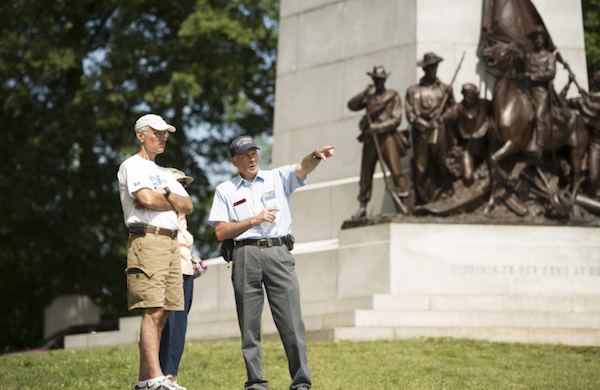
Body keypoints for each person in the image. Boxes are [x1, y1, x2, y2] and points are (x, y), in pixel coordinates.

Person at [208, 135, 335, 390]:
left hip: (278, 253)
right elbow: (221, 232)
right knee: (249, 326)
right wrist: (252, 220)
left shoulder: (278, 177)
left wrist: (315, 156)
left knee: (292, 323)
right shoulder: (225, 190)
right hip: (244, 256)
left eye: (253, 152)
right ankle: (256, 384)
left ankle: (301, 383)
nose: (251, 157)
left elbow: (302, 167)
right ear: (234, 161)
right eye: (244, 155)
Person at [117, 114, 193, 390]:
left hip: (172, 243)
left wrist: (166, 196)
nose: (163, 138)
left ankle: (143, 381)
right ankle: (156, 378)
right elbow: (145, 198)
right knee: (153, 310)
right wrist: (163, 199)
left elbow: (188, 205)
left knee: (164, 313)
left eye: (165, 134)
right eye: (157, 133)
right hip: (148, 240)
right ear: (140, 135)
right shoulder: (131, 165)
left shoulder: (163, 172)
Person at [347, 65, 410, 218]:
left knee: (396, 171)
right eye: (376, 79)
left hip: (387, 137)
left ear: (385, 79)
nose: (378, 82)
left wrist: (379, 127)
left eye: (380, 79)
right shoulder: (368, 98)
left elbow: (396, 119)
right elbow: (351, 105)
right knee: (366, 173)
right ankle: (363, 206)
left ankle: (404, 203)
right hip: (370, 138)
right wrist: (364, 92)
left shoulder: (392, 95)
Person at [158, 168, 196, 390]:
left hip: (185, 268)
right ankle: (161, 375)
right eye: (178, 183)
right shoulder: (161, 207)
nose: (183, 187)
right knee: (167, 325)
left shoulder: (181, 211)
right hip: (170, 267)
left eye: (184, 184)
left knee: (179, 327)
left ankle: (171, 375)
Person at [405, 52, 455, 204]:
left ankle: (445, 194)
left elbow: (453, 108)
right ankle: (423, 200)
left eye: (435, 67)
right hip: (421, 132)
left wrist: (442, 118)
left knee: (441, 161)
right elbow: (410, 114)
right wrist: (424, 125)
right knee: (421, 167)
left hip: (440, 130)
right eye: (430, 67)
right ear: (424, 69)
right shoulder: (413, 91)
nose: (433, 70)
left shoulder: (445, 89)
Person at [441, 83, 490, 186]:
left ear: (476, 95)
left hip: (487, 147)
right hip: (469, 148)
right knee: (467, 178)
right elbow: (450, 113)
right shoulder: (460, 107)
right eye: (464, 96)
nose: (466, 99)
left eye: (469, 97)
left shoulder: (485, 104)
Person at [524, 26, 557, 156]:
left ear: (544, 40)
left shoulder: (550, 57)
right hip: (527, 91)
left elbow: (551, 73)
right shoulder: (528, 56)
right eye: (536, 38)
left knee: (538, 116)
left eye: (541, 37)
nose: (538, 40)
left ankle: (539, 145)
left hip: (542, 92)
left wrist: (533, 76)